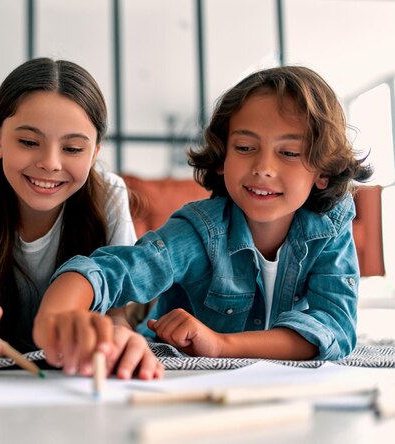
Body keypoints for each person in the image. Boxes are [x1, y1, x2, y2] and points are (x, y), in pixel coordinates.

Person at [33, 65, 373, 371]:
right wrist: (58, 320)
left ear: (323, 172)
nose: (263, 169)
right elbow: (109, 271)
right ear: (223, 157)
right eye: (244, 147)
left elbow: (336, 328)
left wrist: (222, 344)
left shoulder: (330, 224)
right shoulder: (201, 231)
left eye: (289, 153)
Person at [0, 57, 163, 379]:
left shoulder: (109, 195)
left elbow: (118, 316)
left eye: (73, 149)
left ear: (95, 153)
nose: (50, 163)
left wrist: (117, 337)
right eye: (29, 142)